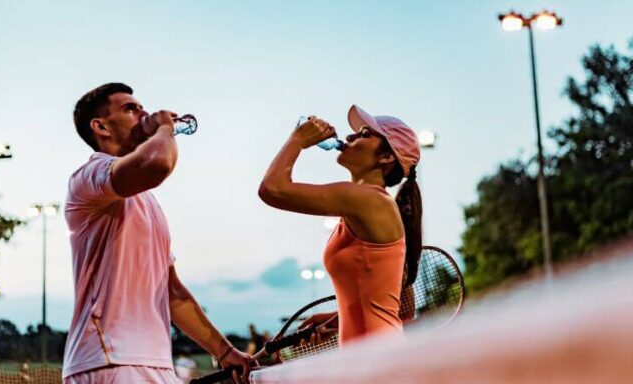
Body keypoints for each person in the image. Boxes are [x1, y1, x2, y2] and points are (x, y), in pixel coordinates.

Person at [62, 83, 253, 383]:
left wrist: (226, 351)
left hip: (155, 362)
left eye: (142, 107)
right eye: (130, 109)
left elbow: (172, 292)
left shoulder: (146, 200)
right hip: (109, 358)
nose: (143, 113)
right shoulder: (89, 177)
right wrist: (164, 129)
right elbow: (158, 163)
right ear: (100, 126)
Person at [258, 105, 423, 344]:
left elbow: (272, 189)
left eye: (364, 134)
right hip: (374, 358)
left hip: (375, 362)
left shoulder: (368, 200)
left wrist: (297, 139)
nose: (349, 137)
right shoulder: (369, 204)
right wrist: (337, 319)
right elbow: (386, 303)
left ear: (386, 157)